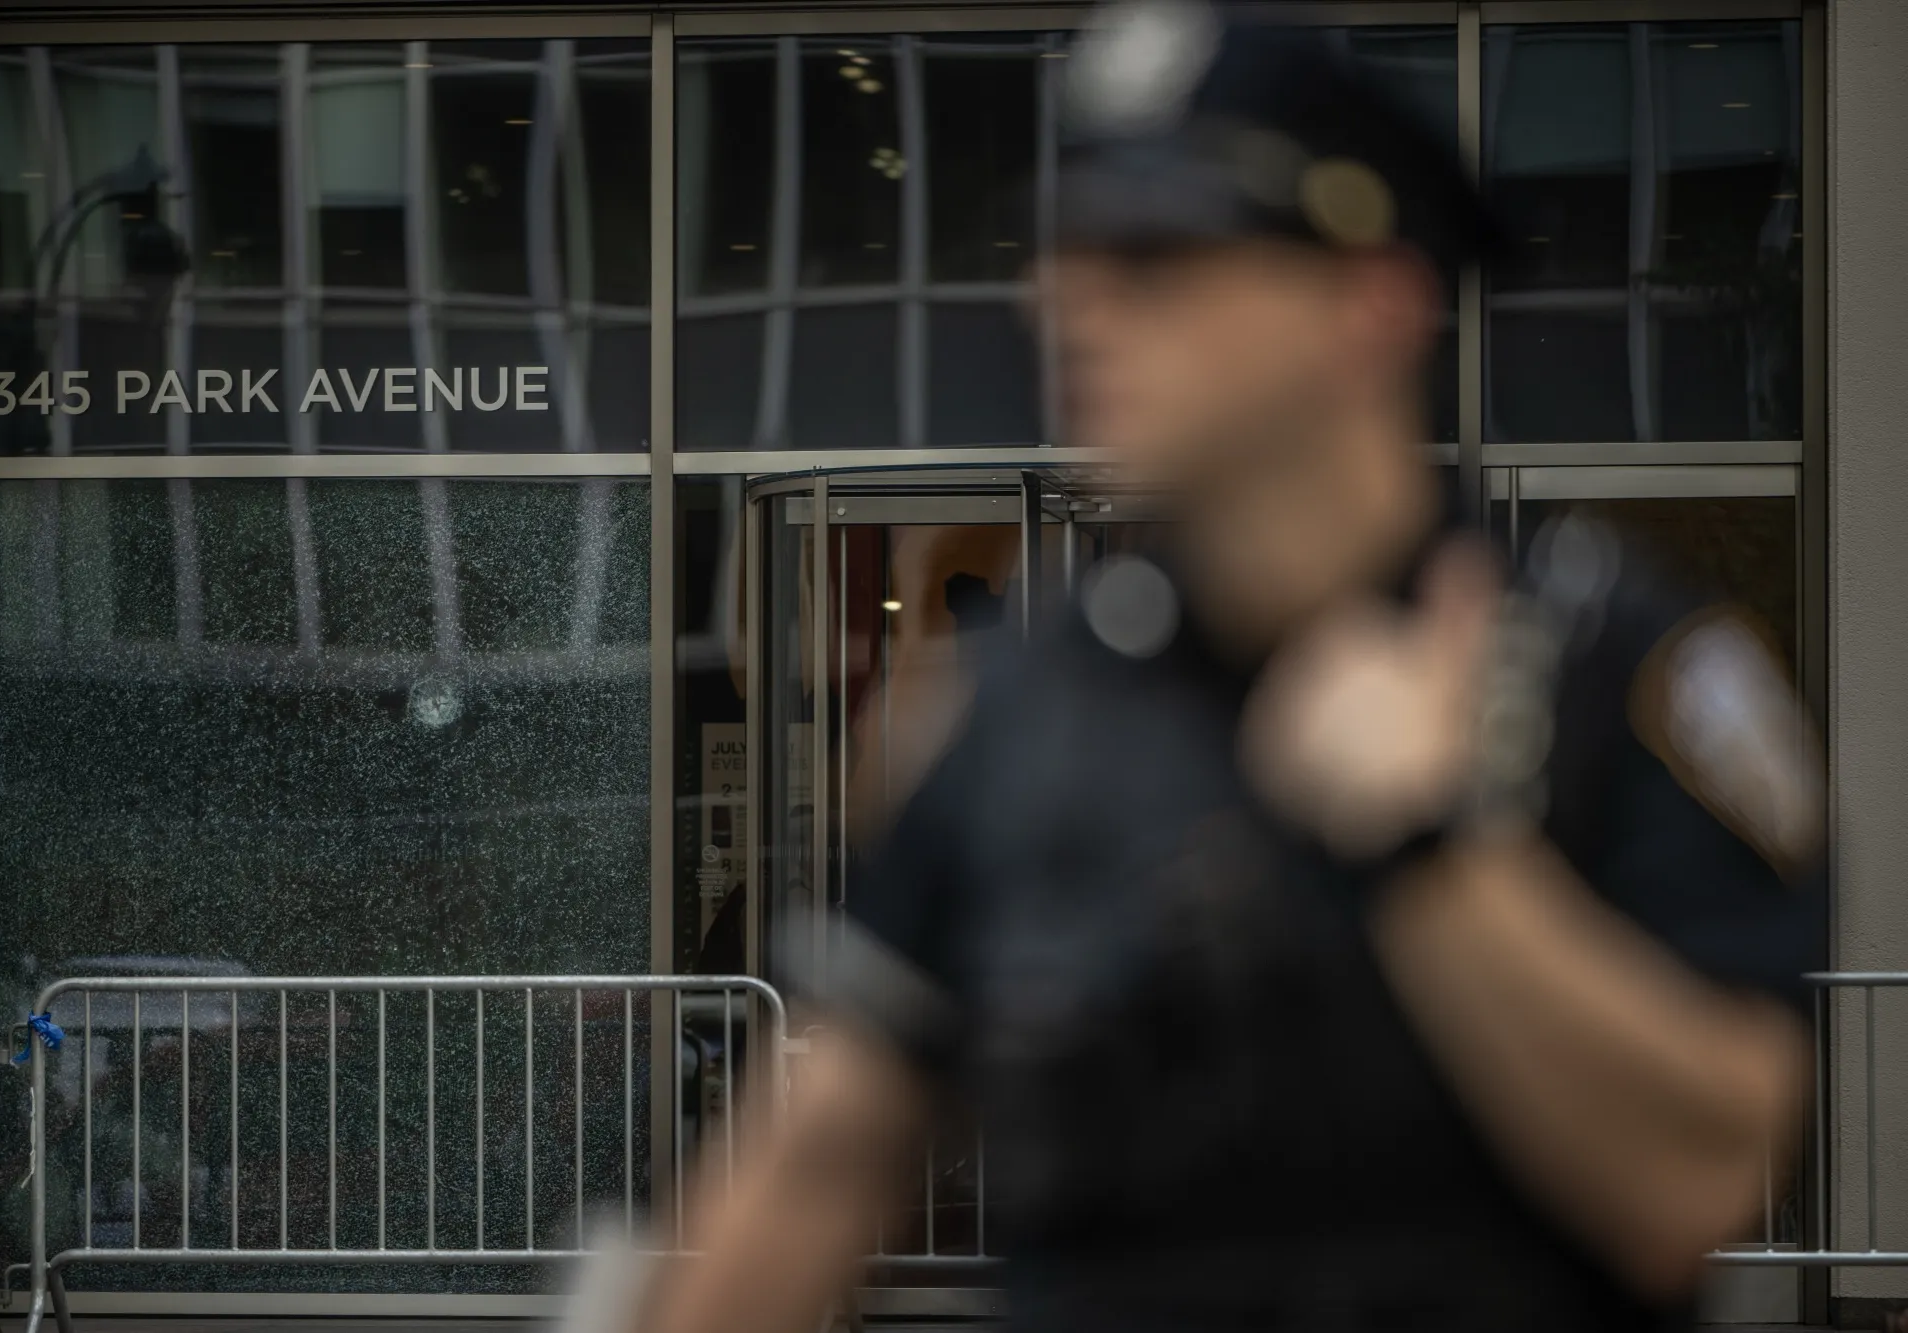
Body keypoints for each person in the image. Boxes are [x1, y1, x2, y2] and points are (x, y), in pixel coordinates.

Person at [602, 5, 1829, 1331]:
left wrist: (1430, 854)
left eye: (1156, 252)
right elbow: (812, 1175)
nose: (1066, 300)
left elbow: (1698, 1185)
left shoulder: (1613, 666)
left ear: (1373, 303)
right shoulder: (1014, 708)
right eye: (1065, 249)